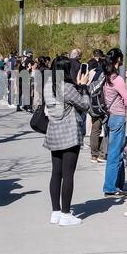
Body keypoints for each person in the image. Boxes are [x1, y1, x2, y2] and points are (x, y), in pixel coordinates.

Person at [43, 55, 91, 227]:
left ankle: (56, 211)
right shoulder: (68, 88)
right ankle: (65, 214)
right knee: (68, 174)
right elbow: (85, 105)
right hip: (69, 133)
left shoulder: (48, 86)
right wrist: (84, 87)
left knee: (56, 172)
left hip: (53, 132)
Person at [100, 47, 127, 197]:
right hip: (118, 117)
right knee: (114, 153)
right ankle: (110, 187)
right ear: (119, 60)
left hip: (110, 117)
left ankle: (117, 185)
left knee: (117, 152)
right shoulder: (117, 80)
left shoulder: (106, 77)